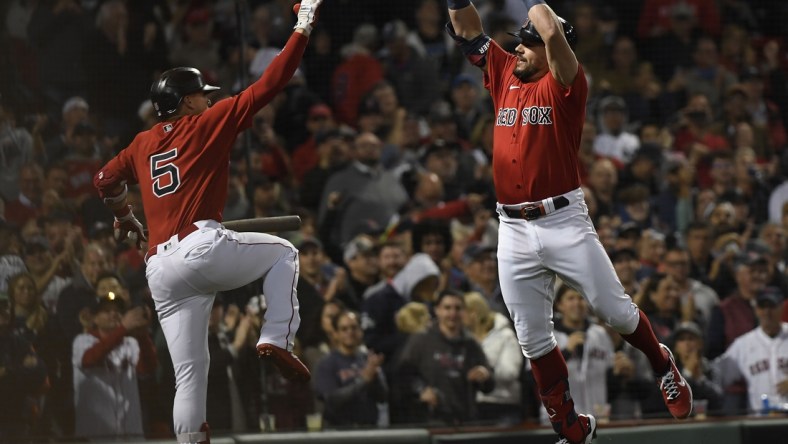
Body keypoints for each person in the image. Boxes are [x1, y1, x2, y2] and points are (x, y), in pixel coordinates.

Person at [446, 1, 693, 443]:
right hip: (513, 228)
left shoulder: (567, 84)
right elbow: (466, 29)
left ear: (550, 49)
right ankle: (571, 428)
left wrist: (541, 14)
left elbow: (549, 28)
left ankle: (662, 364)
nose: (517, 50)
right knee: (532, 338)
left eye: (527, 44)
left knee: (614, 311)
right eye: (517, 44)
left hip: (563, 221)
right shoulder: (504, 72)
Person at [91, 1, 323, 442]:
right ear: (184, 101)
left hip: (160, 269)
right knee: (285, 253)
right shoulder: (206, 123)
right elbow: (272, 82)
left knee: (190, 375)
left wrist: (127, 217)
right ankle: (276, 336)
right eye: (203, 93)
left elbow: (103, 179)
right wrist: (304, 24)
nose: (209, 98)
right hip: (199, 246)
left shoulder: (141, 143)